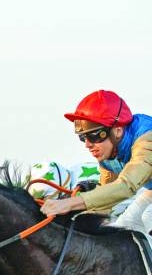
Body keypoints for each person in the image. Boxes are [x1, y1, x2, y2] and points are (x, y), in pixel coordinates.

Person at [41, 90, 152, 231]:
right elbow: (106, 198)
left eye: (93, 136)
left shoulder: (146, 139)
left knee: (149, 216)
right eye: (83, 138)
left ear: (117, 131)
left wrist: (70, 203)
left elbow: (125, 187)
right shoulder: (108, 153)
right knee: (123, 227)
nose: (87, 144)